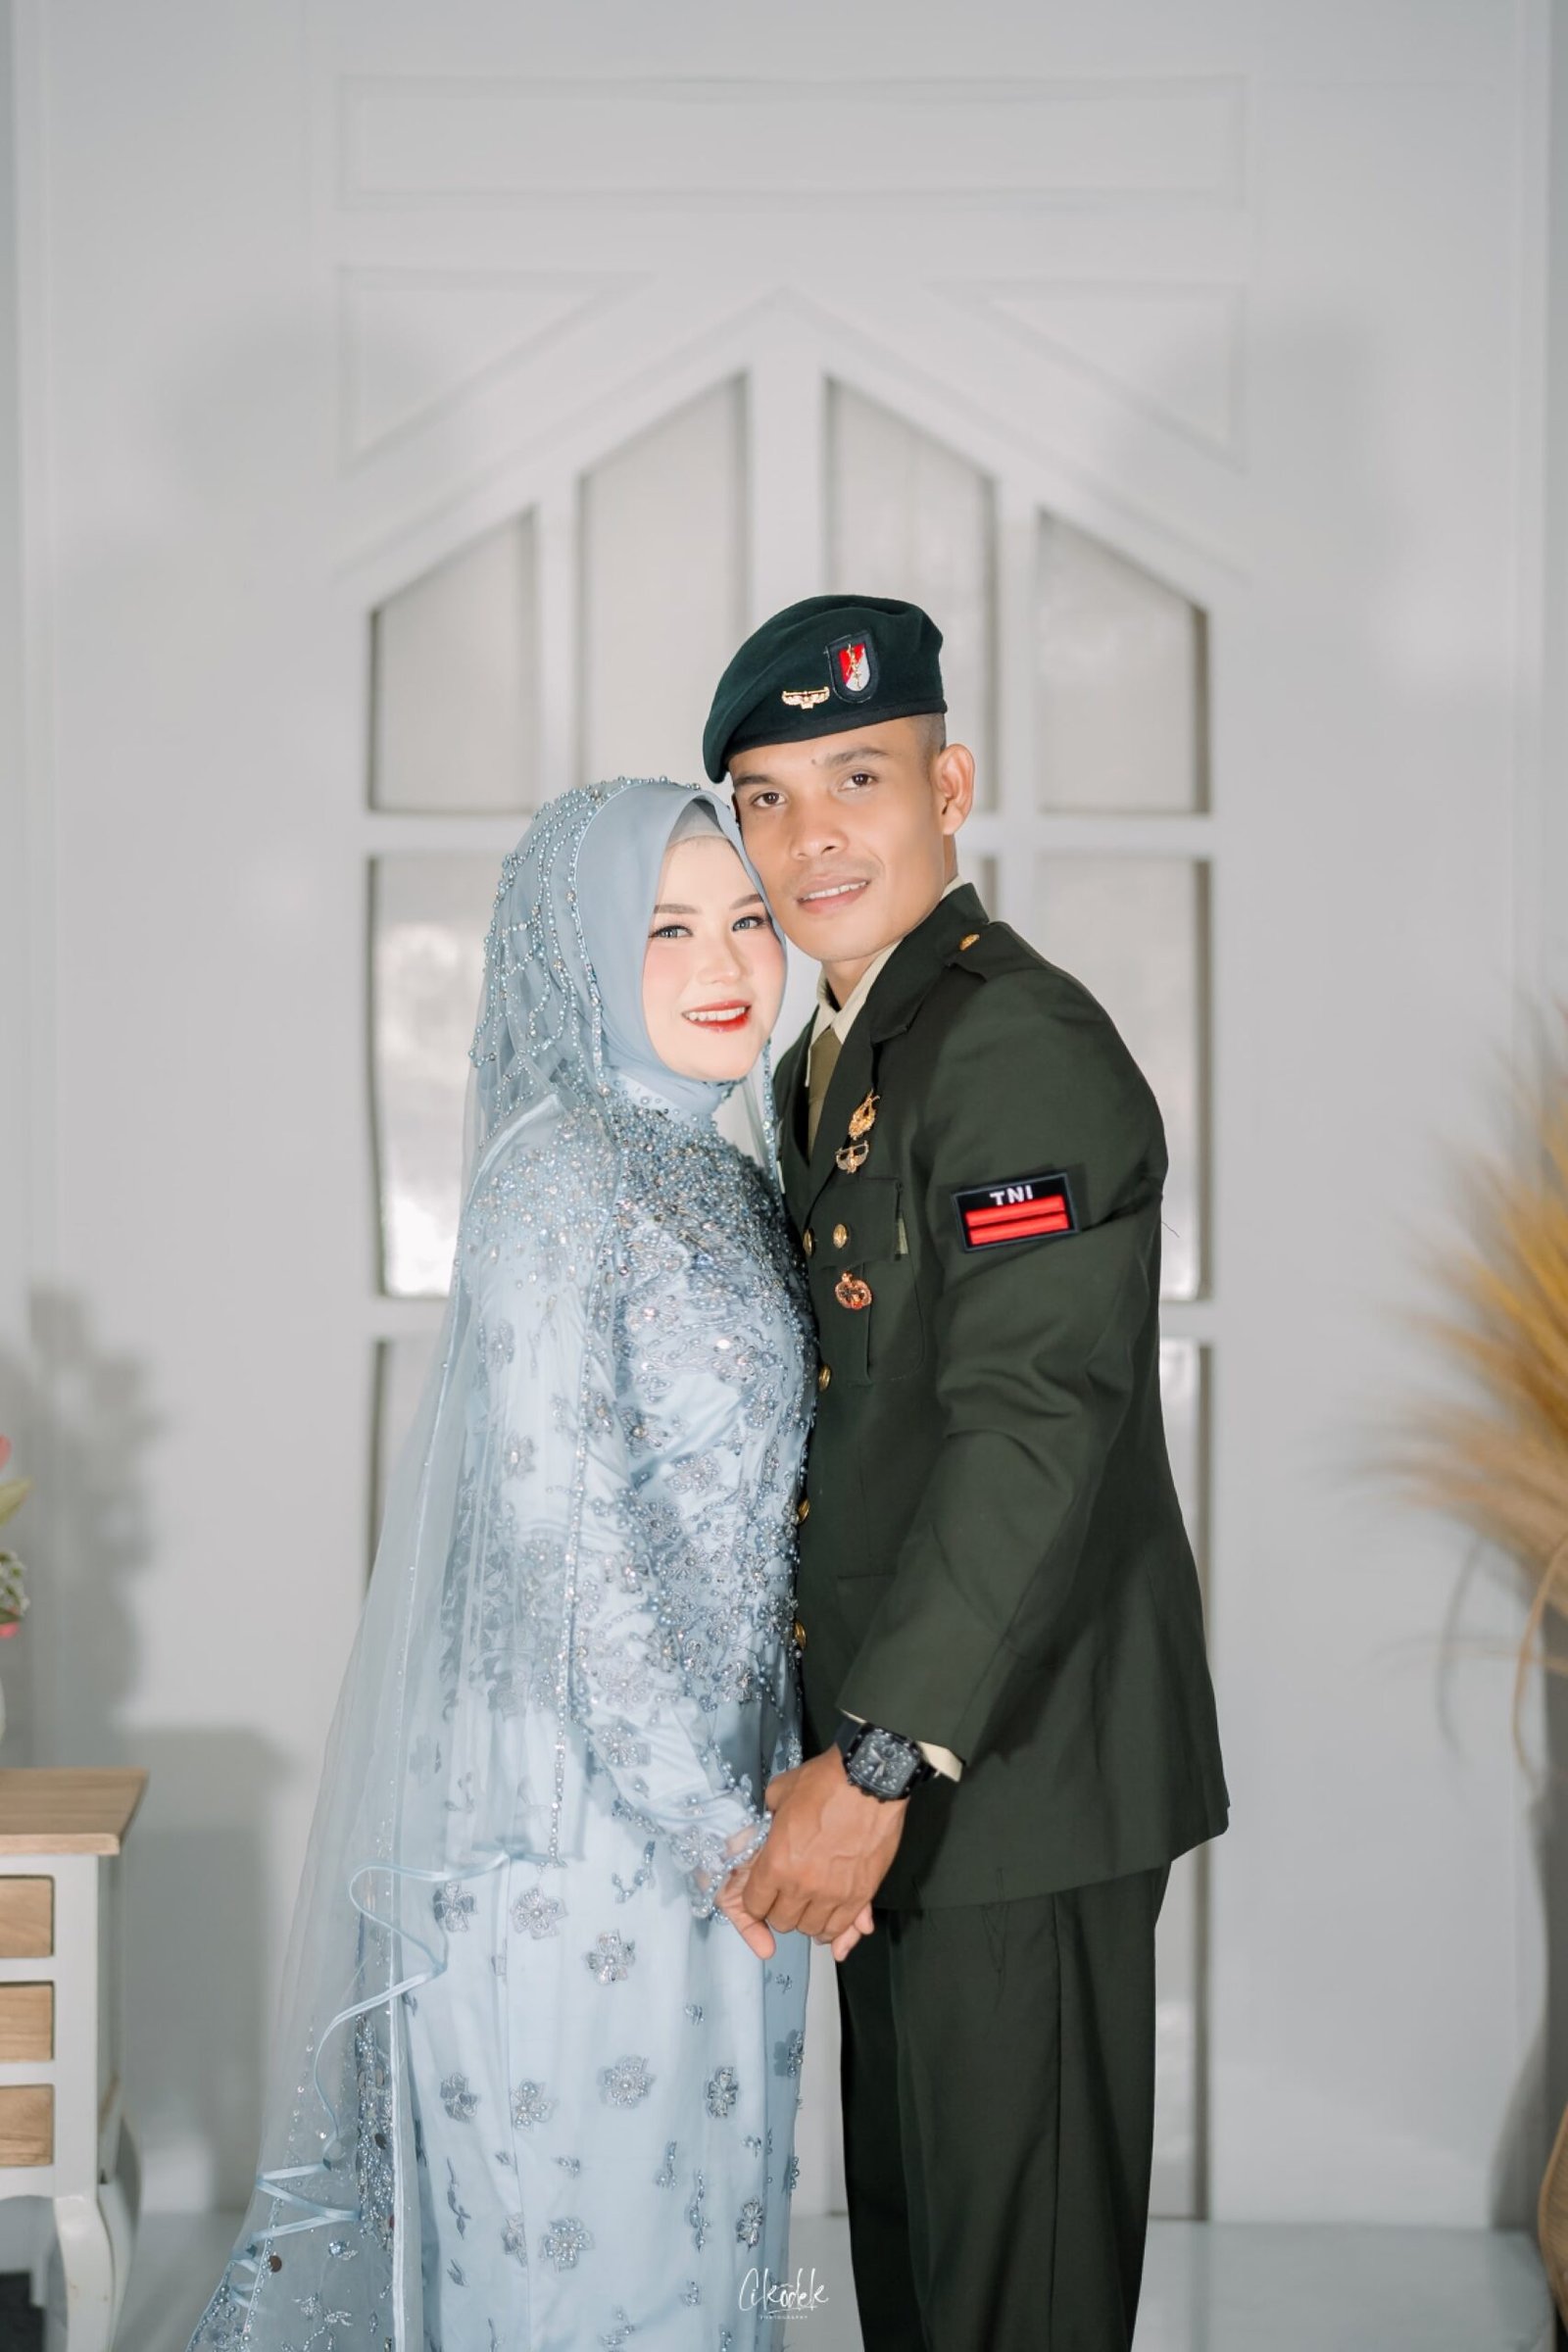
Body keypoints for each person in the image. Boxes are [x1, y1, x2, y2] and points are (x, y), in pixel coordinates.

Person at [187, 778, 861, 2352]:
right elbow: (564, 1542)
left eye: (747, 919)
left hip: (717, 1805)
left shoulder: (720, 1166)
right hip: (567, 1829)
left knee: (703, 2263)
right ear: (578, 951)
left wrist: (761, 1811)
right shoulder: (560, 1180)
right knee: (583, 2284)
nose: (726, 962)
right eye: (667, 929)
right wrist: (724, 1830)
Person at [706, 597, 1231, 2352]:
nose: (810, 837)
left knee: (1015, 2303)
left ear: (950, 787)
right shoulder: (847, 1054)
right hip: (913, 1785)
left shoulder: (1012, 1042)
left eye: (856, 779)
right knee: (925, 2291)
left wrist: (874, 1758)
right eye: (767, 799)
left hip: (1006, 1770)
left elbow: (1036, 1417)